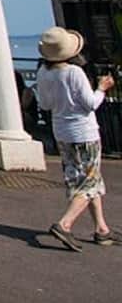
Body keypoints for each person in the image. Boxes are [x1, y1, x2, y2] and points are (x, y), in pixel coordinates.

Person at [35, 26, 114, 250]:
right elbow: (91, 104)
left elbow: (45, 105)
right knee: (89, 182)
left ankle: (101, 229)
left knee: (87, 178)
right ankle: (65, 224)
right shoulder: (74, 72)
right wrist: (102, 88)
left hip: (62, 132)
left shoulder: (43, 73)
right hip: (84, 132)